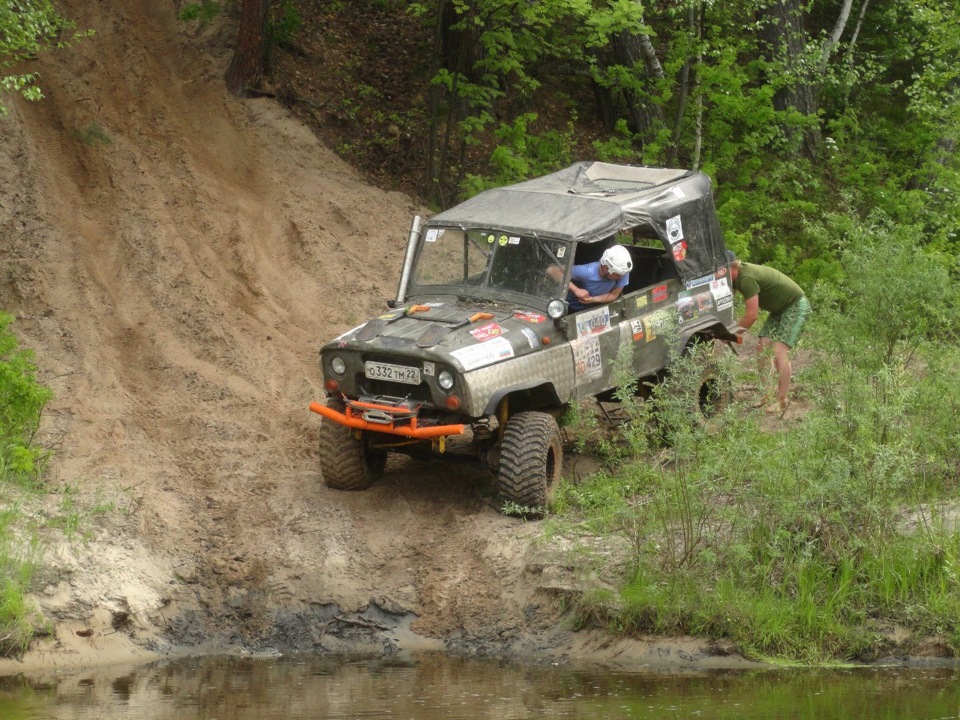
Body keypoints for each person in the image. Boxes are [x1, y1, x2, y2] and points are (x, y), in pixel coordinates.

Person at [727, 250, 811, 414]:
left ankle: (782, 400)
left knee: (779, 352)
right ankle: (765, 394)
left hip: (795, 306)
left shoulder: (746, 278)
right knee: (762, 347)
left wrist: (732, 333)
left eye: (720, 272)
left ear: (730, 267)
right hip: (780, 310)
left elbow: (752, 315)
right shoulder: (736, 278)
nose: (718, 276)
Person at [564, 245, 633, 311]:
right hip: (568, 306)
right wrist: (576, 290)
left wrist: (593, 299)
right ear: (607, 268)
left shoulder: (622, 272)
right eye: (618, 275)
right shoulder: (587, 271)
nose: (622, 277)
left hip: (592, 307)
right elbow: (555, 270)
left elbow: (614, 295)